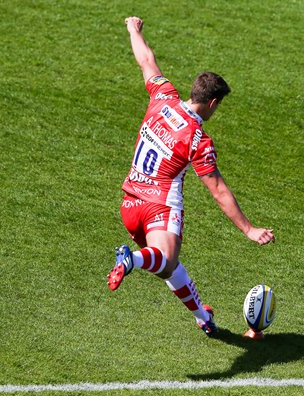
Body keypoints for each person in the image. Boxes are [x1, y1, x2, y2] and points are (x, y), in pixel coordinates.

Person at [107, 16, 275, 337]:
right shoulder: (197, 138)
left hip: (130, 204)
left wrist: (133, 29)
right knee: (166, 262)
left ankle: (202, 316)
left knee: (164, 265)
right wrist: (249, 229)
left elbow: (146, 60)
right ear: (212, 103)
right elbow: (219, 191)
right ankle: (130, 261)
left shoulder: (163, 97)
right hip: (160, 208)